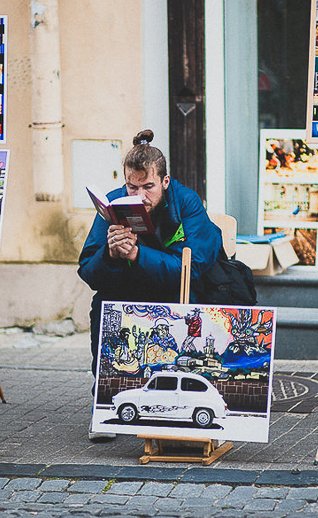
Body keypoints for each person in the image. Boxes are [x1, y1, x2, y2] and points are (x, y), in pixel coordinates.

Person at [78, 129, 224, 438]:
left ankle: (181, 401)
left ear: (165, 182)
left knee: (189, 305)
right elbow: (87, 271)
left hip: (175, 289)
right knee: (102, 304)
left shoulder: (186, 202)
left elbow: (192, 267)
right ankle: (104, 400)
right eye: (133, 186)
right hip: (126, 290)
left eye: (149, 187)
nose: (140, 196)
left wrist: (137, 255)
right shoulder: (116, 202)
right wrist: (110, 254)